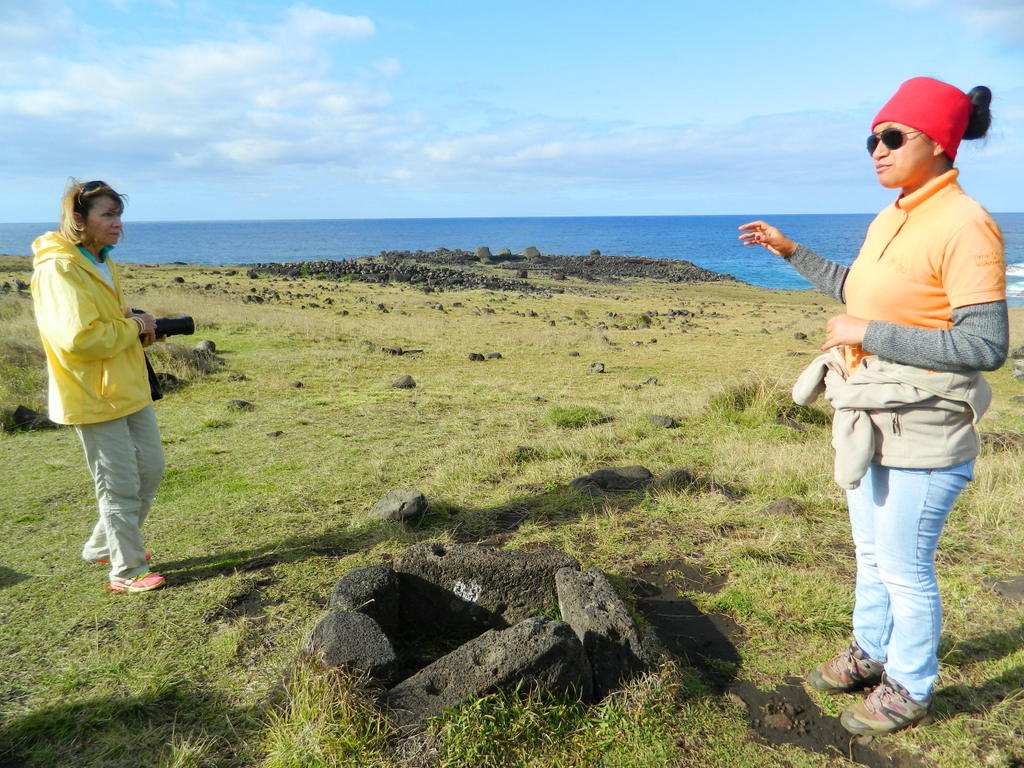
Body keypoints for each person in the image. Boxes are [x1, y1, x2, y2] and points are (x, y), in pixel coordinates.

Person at [738, 77, 1007, 736]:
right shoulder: (894, 214)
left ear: (938, 142)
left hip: (924, 424)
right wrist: (789, 250)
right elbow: (856, 290)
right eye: (872, 140)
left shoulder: (965, 224)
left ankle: (909, 686)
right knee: (870, 551)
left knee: (905, 565)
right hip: (870, 414)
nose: (877, 150)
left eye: (892, 137)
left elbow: (985, 345)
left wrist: (867, 334)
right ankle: (870, 650)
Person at [30, 179, 167, 593]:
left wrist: (140, 328)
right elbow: (80, 339)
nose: (117, 224)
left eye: (119, 214)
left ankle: (100, 547)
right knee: (118, 484)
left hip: (128, 386)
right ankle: (127, 571)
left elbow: (110, 323)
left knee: (150, 469)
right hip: (92, 394)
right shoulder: (59, 269)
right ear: (78, 218)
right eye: (107, 215)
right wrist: (134, 326)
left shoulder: (101, 261)